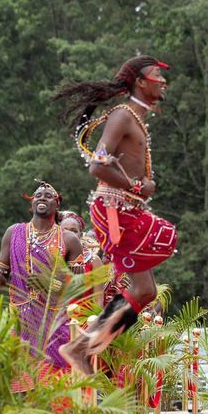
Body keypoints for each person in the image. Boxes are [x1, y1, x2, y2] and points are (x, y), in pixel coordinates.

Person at [54, 55, 177, 374]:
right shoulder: (122, 116)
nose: (163, 81)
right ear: (141, 82)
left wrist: (142, 187)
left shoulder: (136, 118)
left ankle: (83, 348)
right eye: (157, 75)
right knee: (164, 238)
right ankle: (81, 348)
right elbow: (97, 165)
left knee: (146, 291)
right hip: (113, 210)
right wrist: (136, 186)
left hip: (125, 209)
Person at [0, 182, 84, 370]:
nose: (42, 197)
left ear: (57, 204)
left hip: (54, 321)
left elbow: (79, 286)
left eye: (48, 195)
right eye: (38, 195)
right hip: (20, 318)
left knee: (53, 378)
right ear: (31, 203)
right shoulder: (13, 232)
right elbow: (1, 269)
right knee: (17, 375)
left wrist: (50, 284)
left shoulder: (69, 239)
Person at [59, 211, 105, 309]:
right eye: (65, 230)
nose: (70, 234)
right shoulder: (49, 257)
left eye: (74, 231)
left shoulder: (93, 261)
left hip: (84, 316)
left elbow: (98, 299)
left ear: (81, 234)